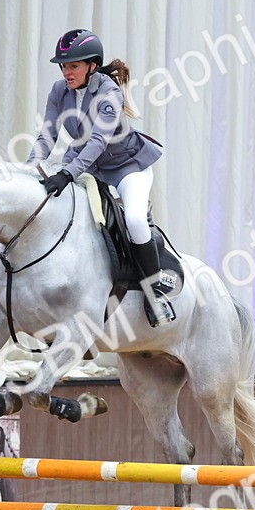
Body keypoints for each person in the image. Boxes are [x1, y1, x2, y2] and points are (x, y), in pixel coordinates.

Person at [28, 28, 174, 325]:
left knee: (133, 219)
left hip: (126, 167)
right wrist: (31, 168)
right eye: (64, 66)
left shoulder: (109, 93)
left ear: (92, 65)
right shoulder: (59, 91)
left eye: (74, 66)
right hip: (88, 164)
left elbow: (97, 141)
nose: (66, 72)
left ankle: (155, 291)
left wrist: (67, 174)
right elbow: (48, 133)